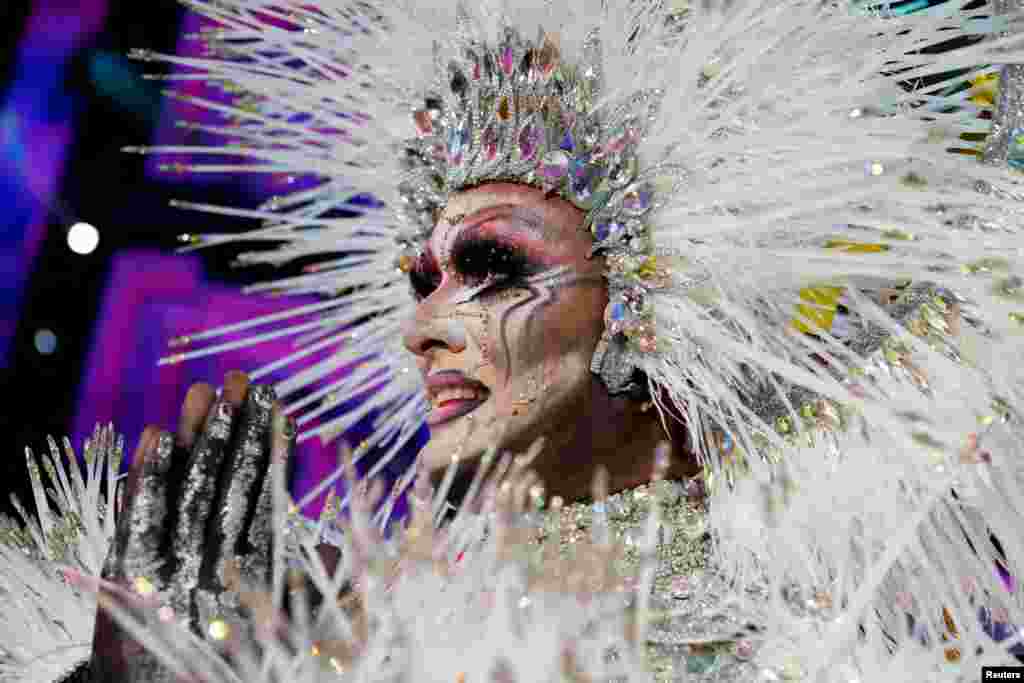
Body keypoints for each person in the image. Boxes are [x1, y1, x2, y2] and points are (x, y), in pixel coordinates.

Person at [4, 1, 1024, 681]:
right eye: (421, 280)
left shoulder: (804, 633)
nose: (420, 326)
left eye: (491, 265)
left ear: (643, 304)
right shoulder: (325, 610)